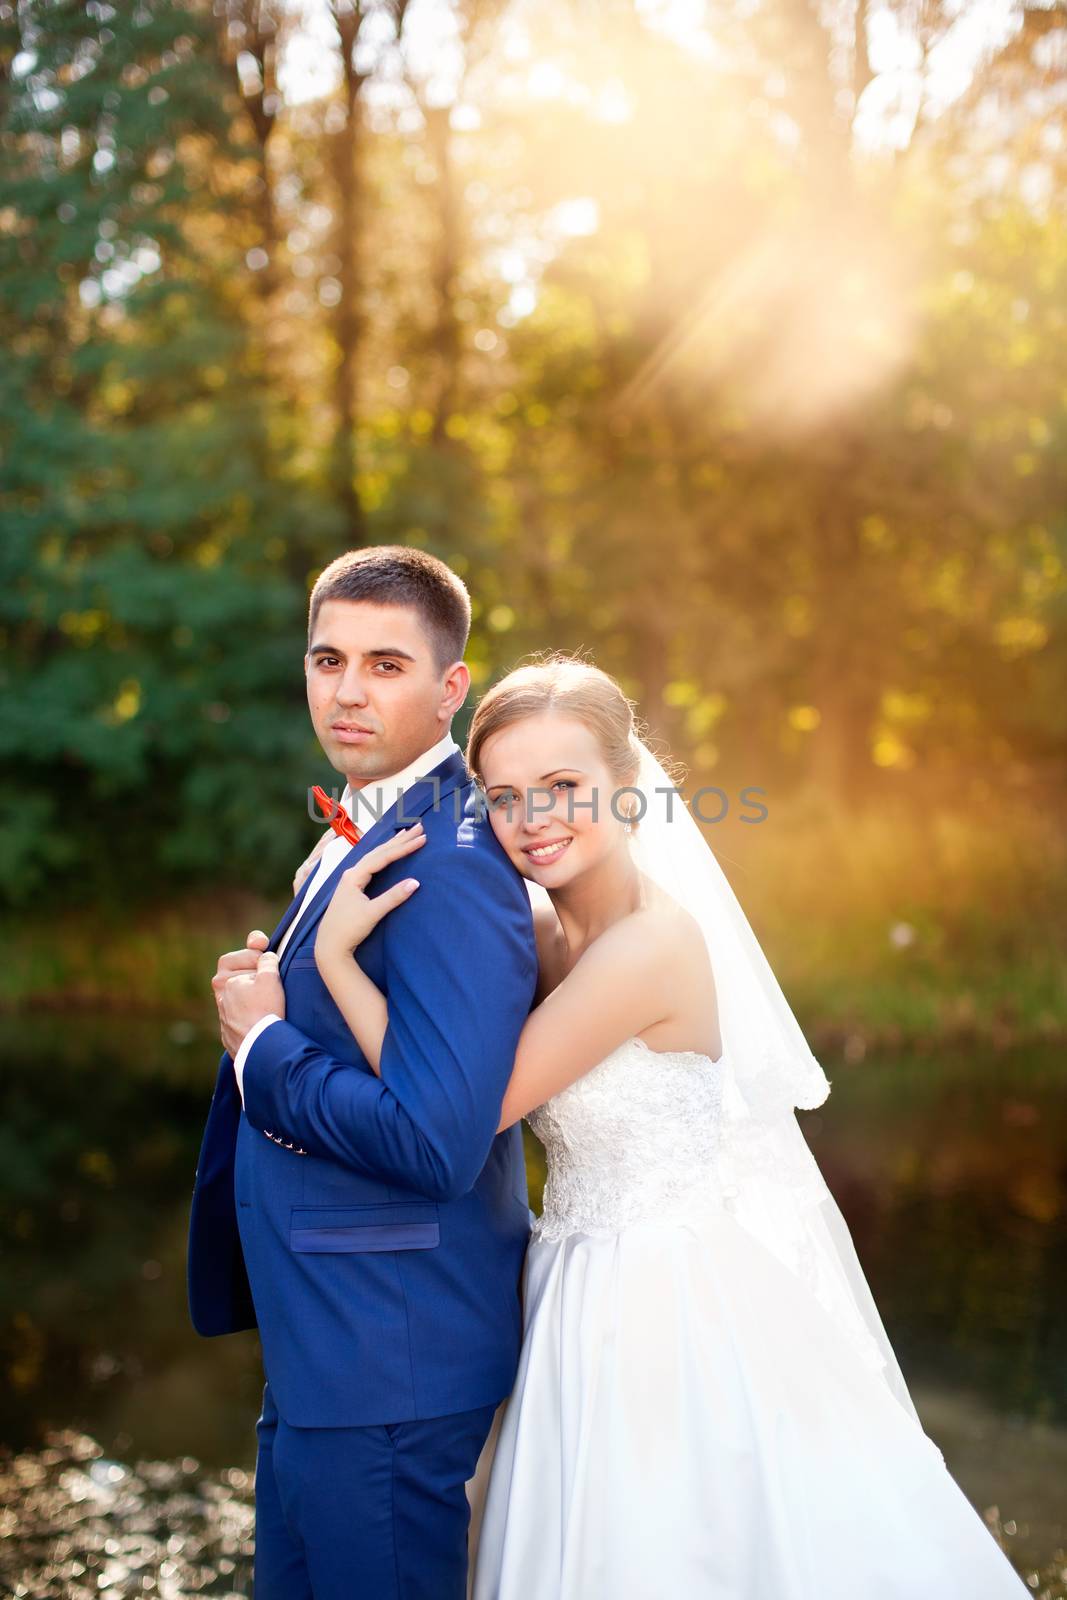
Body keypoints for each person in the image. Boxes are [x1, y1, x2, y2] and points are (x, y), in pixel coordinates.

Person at [316, 654, 1031, 1599]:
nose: (533, 823)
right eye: (504, 797)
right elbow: (442, 1040)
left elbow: (462, 1107)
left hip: (663, 1298)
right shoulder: (535, 929)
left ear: (628, 790)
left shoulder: (649, 945)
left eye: (564, 787)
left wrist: (336, 959)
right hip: (566, 1276)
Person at [186, 546, 538, 1600]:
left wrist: (262, 1044)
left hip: (391, 1349)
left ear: (449, 688)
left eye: (385, 664)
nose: (345, 689)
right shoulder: (364, 825)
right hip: (327, 1343)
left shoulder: (453, 862)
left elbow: (436, 1139)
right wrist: (271, 996)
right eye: (326, 657)